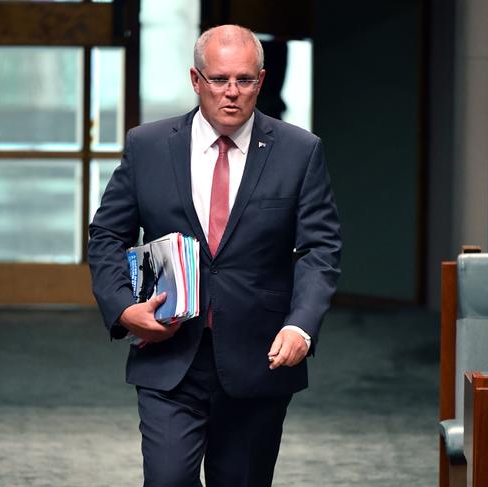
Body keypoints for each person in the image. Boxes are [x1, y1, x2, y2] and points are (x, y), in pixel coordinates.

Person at [88, 24, 341, 487]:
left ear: (260, 82)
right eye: (219, 79)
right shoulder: (148, 146)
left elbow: (319, 248)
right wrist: (123, 307)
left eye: (244, 80)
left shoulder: (299, 151)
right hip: (169, 351)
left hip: (259, 355)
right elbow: (106, 234)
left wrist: (301, 323)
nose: (231, 93)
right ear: (195, 79)